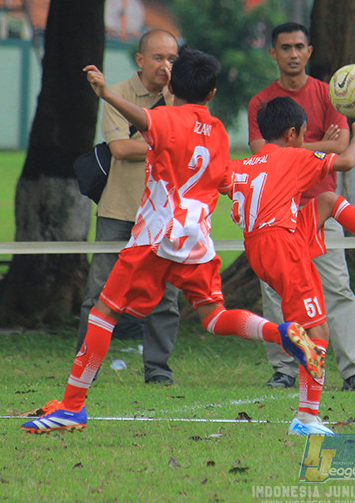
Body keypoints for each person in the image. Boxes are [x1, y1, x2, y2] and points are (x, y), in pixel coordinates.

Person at [22, 49, 324, 434]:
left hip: (155, 236)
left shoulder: (165, 118)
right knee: (213, 317)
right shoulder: (216, 131)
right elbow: (226, 180)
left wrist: (106, 95)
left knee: (104, 313)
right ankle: (281, 332)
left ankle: (72, 406)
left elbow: (143, 117)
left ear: (170, 85)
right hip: (197, 239)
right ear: (212, 94)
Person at [224, 96, 355, 435]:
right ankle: (307, 418)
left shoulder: (243, 164)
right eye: (304, 133)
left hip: (262, 245)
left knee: (326, 201)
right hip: (283, 245)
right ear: (293, 133)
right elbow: (348, 161)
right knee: (317, 331)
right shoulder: (294, 156)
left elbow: (224, 186)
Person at [247, 22, 355, 392]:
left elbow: (339, 151)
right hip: (275, 213)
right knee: (276, 293)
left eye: (299, 47)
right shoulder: (262, 102)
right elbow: (261, 152)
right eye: (285, 47)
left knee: (336, 287)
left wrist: (291, 150)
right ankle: (285, 368)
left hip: (321, 210)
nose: (292, 53)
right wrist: (320, 145)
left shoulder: (330, 94)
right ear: (273, 53)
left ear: (310, 51)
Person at [77, 29, 182, 385]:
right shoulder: (116, 93)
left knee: (165, 297)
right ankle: (85, 367)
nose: (166, 66)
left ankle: (158, 371)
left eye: (172, 59)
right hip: (120, 208)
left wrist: (171, 107)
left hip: (164, 213)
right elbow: (120, 149)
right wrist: (169, 142)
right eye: (158, 58)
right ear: (140, 60)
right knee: (99, 292)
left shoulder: (182, 99)